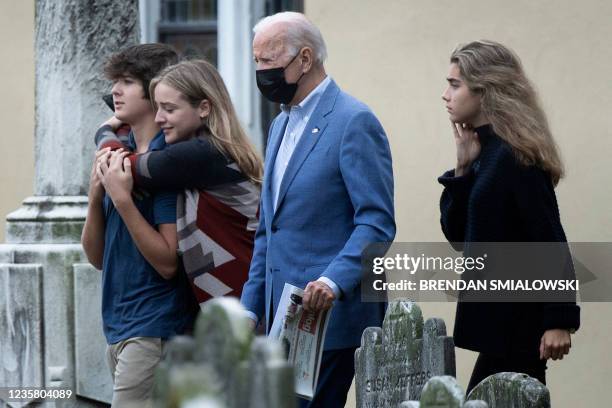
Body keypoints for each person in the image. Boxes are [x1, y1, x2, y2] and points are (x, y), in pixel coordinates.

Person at [240, 12, 395, 407]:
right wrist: (248, 310)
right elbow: (269, 232)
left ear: (304, 59)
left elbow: (376, 223)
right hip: (284, 323)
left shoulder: (353, 121)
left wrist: (332, 281)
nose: (261, 72)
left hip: (332, 319)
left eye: (268, 62)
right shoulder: (279, 125)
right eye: (256, 61)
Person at [438, 40, 580, 394]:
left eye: (455, 85)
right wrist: (463, 169)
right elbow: (459, 238)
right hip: (501, 331)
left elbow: (549, 240)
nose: (446, 95)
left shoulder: (515, 158)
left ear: (485, 89)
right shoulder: (486, 155)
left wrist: (559, 321)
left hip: (520, 328)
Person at [81, 43, 197, 407]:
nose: (115, 90)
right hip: (118, 325)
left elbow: (167, 263)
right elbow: (96, 257)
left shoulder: (164, 163)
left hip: (154, 327)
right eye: (115, 81)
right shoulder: (120, 151)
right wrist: (95, 196)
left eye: (127, 81)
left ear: (154, 92)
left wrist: (122, 199)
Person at [95, 59, 263, 306]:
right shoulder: (213, 151)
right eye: (156, 108)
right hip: (236, 305)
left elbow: (116, 164)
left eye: (169, 109)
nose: (159, 118)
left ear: (204, 108)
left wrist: (105, 130)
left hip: (244, 309)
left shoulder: (201, 154)